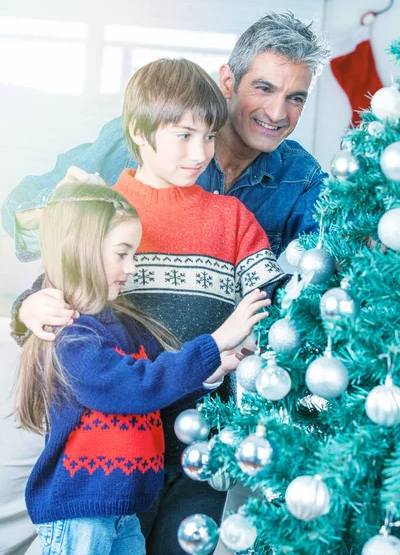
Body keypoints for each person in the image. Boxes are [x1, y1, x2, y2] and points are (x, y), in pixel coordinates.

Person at [11, 57, 287, 555]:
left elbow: (277, 302)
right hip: (113, 449)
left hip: (204, 437)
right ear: (139, 132)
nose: (200, 152)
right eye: (183, 136)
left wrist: (255, 343)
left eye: (209, 136)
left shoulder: (232, 217)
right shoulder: (105, 207)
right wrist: (28, 307)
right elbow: (59, 286)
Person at [15, 181, 270, 555]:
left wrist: (214, 370)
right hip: (80, 513)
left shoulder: (128, 327)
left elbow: (162, 388)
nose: (132, 267)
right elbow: (137, 388)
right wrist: (215, 342)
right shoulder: (72, 337)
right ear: (82, 252)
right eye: (122, 254)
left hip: (125, 511)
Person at [2, 10, 331, 263]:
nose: (277, 113)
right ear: (228, 82)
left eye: (295, 98)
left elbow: (334, 255)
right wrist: (65, 208)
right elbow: (16, 212)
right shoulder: (143, 139)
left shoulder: (301, 177)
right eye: (264, 88)